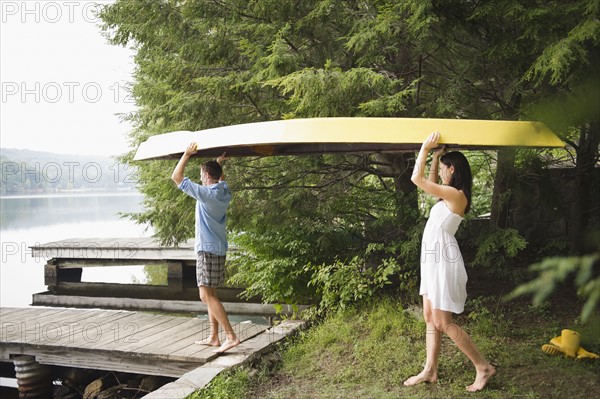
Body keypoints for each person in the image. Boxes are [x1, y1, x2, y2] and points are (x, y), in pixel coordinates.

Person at [404, 132, 496, 392]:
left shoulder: (457, 196)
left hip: (443, 259)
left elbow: (417, 179)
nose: (441, 174)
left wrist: (423, 148)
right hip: (432, 258)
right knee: (429, 318)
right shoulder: (447, 194)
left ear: (453, 170)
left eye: (444, 168)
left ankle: (483, 366)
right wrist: (435, 158)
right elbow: (431, 182)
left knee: (443, 322)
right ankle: (430, 370)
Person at [171, 143, 240, 353]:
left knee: (205, 295)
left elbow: (176, 177)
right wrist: (218, 164)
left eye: (202, 173)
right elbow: (221, 179)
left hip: (207, 249)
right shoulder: (223, 191)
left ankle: (231, 336)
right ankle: (213, 337)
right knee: (211, 292)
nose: (200, 177)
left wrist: (186, 154)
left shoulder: (205, 194)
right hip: (218, 248)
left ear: (207, 176)